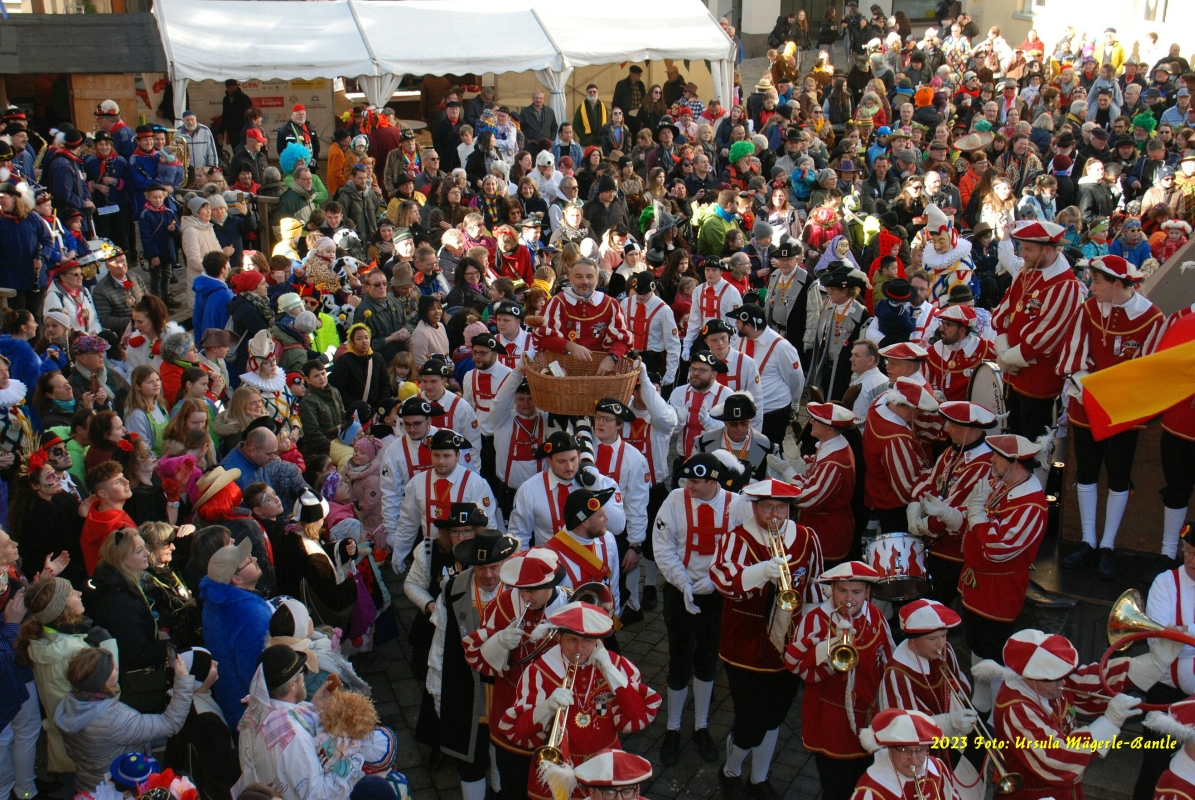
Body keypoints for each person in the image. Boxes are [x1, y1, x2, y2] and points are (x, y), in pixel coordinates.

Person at [711, 479, 825, 799]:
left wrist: (813, 634)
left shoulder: (806, 537)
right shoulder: (737, 538)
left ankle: (758, 779)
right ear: (754, 508)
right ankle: (731, 770)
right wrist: (761, 571)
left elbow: (814, 586)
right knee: (749, 720)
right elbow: (723, 581)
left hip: (789, 644)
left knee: (775, 715)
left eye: (781, 508)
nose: (774, 514)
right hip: (745, 644)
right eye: (766, 507)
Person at [1058, 255, 1165, 579]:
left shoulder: (1152, 318)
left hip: (1122, 411)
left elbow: (1146, 369)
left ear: (1117, 284)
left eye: (1097, 281)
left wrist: (1109, 392)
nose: (1091, 287)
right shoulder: (1089, 309)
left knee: (1119, 476)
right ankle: (1088, 540)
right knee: (1086, 472)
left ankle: (1108, 544)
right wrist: (1088, 386)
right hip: (1087, 405)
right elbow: (1075, 355)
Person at [498, 600, 660, 800]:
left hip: (606, 771)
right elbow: (519, 731)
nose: (579, 649)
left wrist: (610, 672)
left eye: (587, 641)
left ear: (598, 641)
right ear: (559, 638)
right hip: (558, 771)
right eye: (572, 640)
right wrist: (546, 707)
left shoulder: (617, 665)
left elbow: (636, 715)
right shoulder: (540, 671)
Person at [974, 629, 1161, 800]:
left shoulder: (1049, 683)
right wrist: (1109, 722)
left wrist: (1155, 662)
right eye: (1057, 679)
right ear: (1031, 678)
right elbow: (1057, 757)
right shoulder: (1015, 709)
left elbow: (1092, 680)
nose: (1063, 683)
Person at [653, 451, 743, 765]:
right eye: (687, 479)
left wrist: (715, 580)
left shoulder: (737, 505)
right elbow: (663, 547)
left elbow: (741, 550)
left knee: (707, 660)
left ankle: (701, 727)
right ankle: (673, 728)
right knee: (679, 660)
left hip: (717, 595)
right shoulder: (674, 500)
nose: (688, 486)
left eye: (695, 481)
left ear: (712, 481)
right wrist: (684, 583)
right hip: (681, 592)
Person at [462, 548, 569, 800]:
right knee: (513, 787)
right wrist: (499, 642)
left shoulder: (570, 606)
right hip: (511, 709)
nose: (524, 596)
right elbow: (476, 657)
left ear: (549, 585)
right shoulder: (505, 603)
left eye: (532, 590)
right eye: (521, 589)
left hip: (559, 714)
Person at [788, 562, 893, 800]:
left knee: (863, 784)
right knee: (836, 788)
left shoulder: (875, 617)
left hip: (866, 718)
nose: (849, 599)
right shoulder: (815, 619)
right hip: (829, 721)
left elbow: (888, 663)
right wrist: (829, 648)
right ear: (832, 590)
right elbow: (796, 665)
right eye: (842, 591)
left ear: (867, 592)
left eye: (856, 592)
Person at [428, 530, 518, 800]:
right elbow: (441, 644)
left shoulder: (520, 590)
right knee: (469, 760)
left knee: (505, 757)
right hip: (466, 689)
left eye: (495, 567)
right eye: (481, 568)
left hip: (508, 690)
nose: (488, 575)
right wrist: (437, 692)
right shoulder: (452, 589)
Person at [53, 646, 195, 794]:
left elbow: (73, 752)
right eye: (111, 668)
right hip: (119, 788)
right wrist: (183, 681)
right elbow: (170, 723)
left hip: (88, 784)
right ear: (101, 681)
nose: (117, 666)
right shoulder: (116, 719)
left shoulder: (69, 703)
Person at [993, 220, 1084, 440]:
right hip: (1013, 373)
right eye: (1022, 247)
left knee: (1032, 440)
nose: (1022, 254)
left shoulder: (1066, 285)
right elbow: (1004, 311)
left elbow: (1047, 336)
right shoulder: (1027, 272)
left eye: (1028, 249)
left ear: (1048, 250)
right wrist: (1003, 353)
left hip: (1038, 380)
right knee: (1013, 434)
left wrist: (1009, 358)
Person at [391, 430, 498, 570]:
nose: (441, 461)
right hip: (431, 557)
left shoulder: (476, 484)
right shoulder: (417, 483)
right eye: (436, 455)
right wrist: (398, 556)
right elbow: (408, 523)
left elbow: (488, 526)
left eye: (446, 456)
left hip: (468, 556)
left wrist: (484, 561)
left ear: (457, 456)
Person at [508, 430, 626, 550]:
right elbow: (519, 536)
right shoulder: (529, 489)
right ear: (549, 461)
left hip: (592, 558)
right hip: (550, 559)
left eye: (573, 459)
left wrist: (595, 488)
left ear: (579, 455)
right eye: (561, 461)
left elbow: (618, 528)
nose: (569, 467)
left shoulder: (602, 483)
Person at [198, 537, 272, 727]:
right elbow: (257, 671)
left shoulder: (216, 602)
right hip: (254, 713)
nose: (255, 559)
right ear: (236, 578)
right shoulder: (249, 615)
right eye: (248, 560)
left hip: (230, 701)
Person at [530, 258, 631, 376]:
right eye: (579, 276)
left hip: (601, 375)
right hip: (563, 375)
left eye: (589, 276)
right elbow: (542, 338)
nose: (584, 281)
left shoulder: (610, 304)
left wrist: (612, 357)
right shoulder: (557, 302)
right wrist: (569, 346)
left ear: (597, 279)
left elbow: (623, 339)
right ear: (570, 279)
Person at [850, 709, 956, 800]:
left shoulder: (938, 768)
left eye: (920, 750)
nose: (913, 760)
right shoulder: (870, 792)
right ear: (890, 749)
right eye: (905, 750)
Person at [809, 264, 870, 402]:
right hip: (827, 367)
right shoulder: (830, 308)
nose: (829, 292)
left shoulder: (862, 315)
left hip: (844, 371)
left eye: (833, 289)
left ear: (845, 291)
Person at [923, 305, 994, 403]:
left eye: (947, 324)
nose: (941, 329)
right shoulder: (932, 352)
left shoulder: (986, 349)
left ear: (962, 331)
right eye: (942, 323)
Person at [331, 324, 389, 411]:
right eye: (359, 339)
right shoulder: (344, 361)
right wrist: (357, 408)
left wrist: (380, 406)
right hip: (354, 411)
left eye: (366, 337)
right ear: (352, 342)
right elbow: (340, 390)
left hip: (376, 409)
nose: (364, 341)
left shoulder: (377, 358)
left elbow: (385, 384)